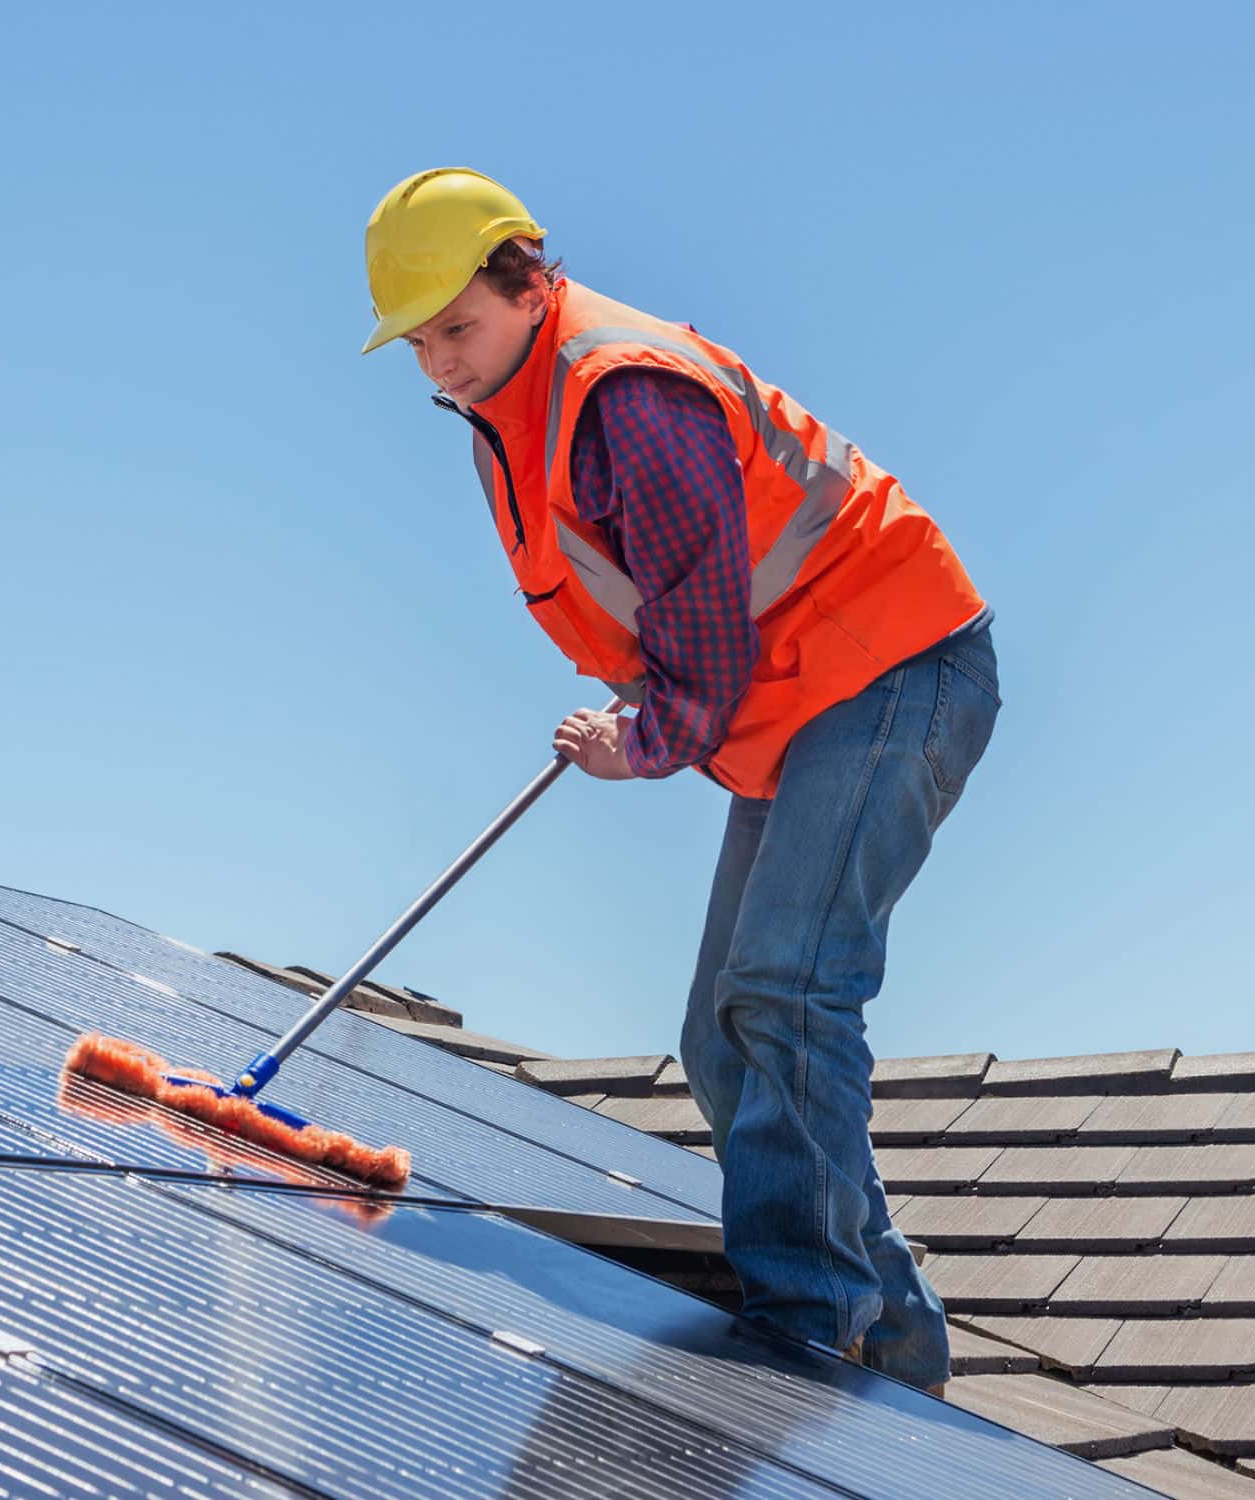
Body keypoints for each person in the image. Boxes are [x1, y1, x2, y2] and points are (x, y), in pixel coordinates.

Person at [359, 167, 1000, 1393]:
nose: (441, 359)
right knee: (721, 1038)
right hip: (805, 698)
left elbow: (704, 659)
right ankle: (897, 1345)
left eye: (460, 325)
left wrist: (640, 740)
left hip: (891, 666)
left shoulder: (625, 399)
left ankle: (808, 1335)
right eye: (421, 339)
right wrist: (646, 695)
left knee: (786, 990)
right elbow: (671, 601)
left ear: (529, 283)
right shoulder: (519, 400)